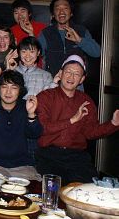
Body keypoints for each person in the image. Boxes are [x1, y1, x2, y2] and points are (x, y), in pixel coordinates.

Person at [36, 55, 119, 184]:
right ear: (61, 73)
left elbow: (90, 132)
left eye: (76, 74)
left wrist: (113, 123)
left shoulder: (86, 101)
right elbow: (42, 128)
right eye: (68, 72)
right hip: (49, 155)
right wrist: (72, 120)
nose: (71, 77)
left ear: (82, 79)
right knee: (52, 191)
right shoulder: (45, 97)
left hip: (77, 156)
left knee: (89, 190)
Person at [0, 70, 42, 180]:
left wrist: (31, 114)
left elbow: (34, 134)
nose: (8, 92)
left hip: (23, 164)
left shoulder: (25, 106)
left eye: (14, 87)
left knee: (33, 193)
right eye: (4, 87)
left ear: (20, 90)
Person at [38, 0, 100, 76]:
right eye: (57, 9)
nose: (61, 12)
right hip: (52, 82)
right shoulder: (46, 33)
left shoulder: (81, 30)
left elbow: (96, 52)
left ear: (71, 13)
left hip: (76, 83)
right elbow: (35, 54)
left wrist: (79, 40)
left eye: (65, 8)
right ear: (53, 14)